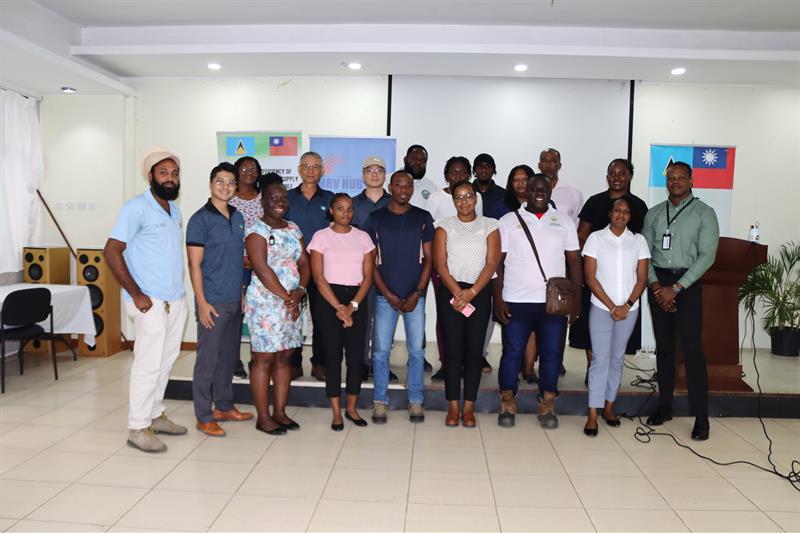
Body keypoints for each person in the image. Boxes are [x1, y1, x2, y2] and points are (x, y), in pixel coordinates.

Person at [104, 147, 188, 453]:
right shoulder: (135, 208)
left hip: (175, 299)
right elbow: (111, 251)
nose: (170, 178)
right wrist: (137, 293)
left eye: (174, 173)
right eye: (163, 173)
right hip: (148, 301)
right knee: (148, 364)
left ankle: (155, 414)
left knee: (165, 362)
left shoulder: (174, 210)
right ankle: (137, 427)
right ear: (150, 176)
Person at [494, 174, 581, 429]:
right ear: (526, 192)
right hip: (515, 300)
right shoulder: (508, 221)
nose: (539, 193)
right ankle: (507, 401)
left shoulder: (564, 221)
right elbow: (496, 263)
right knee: (512, 353)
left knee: (552, 355)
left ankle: (547, 403)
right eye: (534, 189)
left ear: (550, 192)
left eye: (544, 189)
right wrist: (498, 299)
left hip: (553, 304)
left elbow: (574, 262)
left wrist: (576, 301)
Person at [642, 162, 719, 441]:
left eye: (681, 178)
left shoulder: (704, 213)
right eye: (671, 178)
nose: (675, 182)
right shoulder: (654, 213)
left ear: (691, 180)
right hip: (658, 284)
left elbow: (707, 256)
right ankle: (665, 406)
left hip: (686, 285)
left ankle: (701, 417)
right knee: (664, 350)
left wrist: (676, 288)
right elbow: (644, 254)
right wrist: (656, 286)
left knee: (692, 352)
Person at [186, 162, 254, 437]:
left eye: (230, 182)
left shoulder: (238, 217)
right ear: (211, 184)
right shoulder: (199, 219)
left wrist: (241, 292)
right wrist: (201, 302)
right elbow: (194, 265)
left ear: (236, 187)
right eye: (220, 182)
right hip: (211, 301)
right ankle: (203, 415)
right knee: (207, 361)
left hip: (234, 299)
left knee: (228, 358)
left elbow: (236, 259)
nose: (225, 187)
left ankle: (224, 406)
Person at [363, 171, 434, 424]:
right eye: (399, 185)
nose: (404, 189)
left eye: (408, 185)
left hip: (415, 296)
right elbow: (370, 262)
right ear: (390, 187)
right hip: (385, 297)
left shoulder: (423, 217)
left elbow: (429, 259)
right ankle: (380, 402)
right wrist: (386, 293)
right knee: (381, 352)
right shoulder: (376, 218)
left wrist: (418, 292)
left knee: (416, 351)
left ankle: (415, 401)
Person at [571, 159, 649, 384]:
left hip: (626, 281)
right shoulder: (595, 202)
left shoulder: (639, 205)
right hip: (595, 277)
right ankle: (594, 369)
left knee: (620, 335)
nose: (616, 177)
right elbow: (581, 235)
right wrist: (584, 272)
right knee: (591, 330)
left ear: (630, 176)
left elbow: (644, 240)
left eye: (621, 173)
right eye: (612, 173)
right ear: (607, 177)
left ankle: (610, 374)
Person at [245, 173, 310, 435]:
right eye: (273, 198)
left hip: (292, 302)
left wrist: (300, 291)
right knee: (264, 358)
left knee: (284, 357)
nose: (279, 202)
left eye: (283, 198)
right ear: (263, 201)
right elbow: (261, 268)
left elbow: (304, 262)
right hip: (266, 304)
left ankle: (280, 412)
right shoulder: (256, 231)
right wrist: (287, 297)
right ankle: (263, 417)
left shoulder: (293, 228)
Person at [433, 180, 500, 427]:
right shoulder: (443, 226)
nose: (464, 201)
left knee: (474, 352)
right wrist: (458, 293)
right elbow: (440, 265)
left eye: (468, 196)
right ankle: (453, 406)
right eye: (459, 197)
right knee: (452, 352)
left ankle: (469, 407)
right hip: (451, 292)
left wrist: (471, 292)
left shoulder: (490, 225)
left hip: (478, 292)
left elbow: (491, 263)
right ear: (453, 201)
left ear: (476, 198)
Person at [582, 197, 650, 437]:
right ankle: (593, 413)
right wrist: (612, 306)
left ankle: (609, 406)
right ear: (610, 214)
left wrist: (626, 305)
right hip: (601, 308)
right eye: (617, 211)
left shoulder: (639, 241)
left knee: (617, 358)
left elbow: (642, 278)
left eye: (626, 212)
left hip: (629, 310)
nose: (621, 215)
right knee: (599, 359)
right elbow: (590, 278)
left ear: (630, 216)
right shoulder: (595, 238)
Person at [308, 193, 375, 431]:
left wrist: (351, 306)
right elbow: (318, 277)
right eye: (340, 208)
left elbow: (368, 277)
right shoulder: (320, 237)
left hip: (357, 300)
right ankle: (336, 412)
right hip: (329, 300)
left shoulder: (363, 238)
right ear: (331, 211)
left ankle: (352, 409)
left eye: (349, 209)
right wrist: (338, 307)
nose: (345, 213)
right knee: (333, 357)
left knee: (356, 359)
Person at [426, 156, 485, 380]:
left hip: (472, 271)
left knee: (471, 317)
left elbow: (480, 228)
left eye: (462, 172)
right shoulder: (435, 198)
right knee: (447, 317)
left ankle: (467, 361)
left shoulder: (476, 197)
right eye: (453, 172)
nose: (457, 176)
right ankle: (447, 361)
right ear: (446, 175)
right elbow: (429, 232)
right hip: (443, 268)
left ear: (469, 175)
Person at [286, 151, 334, 382]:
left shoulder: (330, 198)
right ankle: (293, 363)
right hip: (291, 268)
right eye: (306, 165)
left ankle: (319, 363)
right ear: (299, 169)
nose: (310, 170)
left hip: (321, 268)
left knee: (322, 318)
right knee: (292, 316)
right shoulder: (287, 197)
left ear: (322, 170)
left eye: (315, 166)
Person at [491, 164, 541, 384]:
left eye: (524, 179)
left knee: (534, 329)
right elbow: (494, 245)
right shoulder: (501, 207)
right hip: (511, 276)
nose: (520, 183)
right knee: (512, 328)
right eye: (515, 180)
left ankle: (529, 368)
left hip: (538, 279)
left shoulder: (546, 205)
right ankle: (513, 369)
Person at [351, 156, 397, 383]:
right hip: (361, 271)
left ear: (385, 175)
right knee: (363, 319)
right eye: (370, 170)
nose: (375, 174)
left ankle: (381, 365)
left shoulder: (395, 202)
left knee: (384, 321)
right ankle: (362, 363)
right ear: (363, 175)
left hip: (390, 270)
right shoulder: (353, 204)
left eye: (379, 170)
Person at [228, 156, 264, 380]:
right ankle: (233, 360)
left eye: (253, 169)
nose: (249, 172)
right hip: (236, 266)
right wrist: (240, 257)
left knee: (258, 314)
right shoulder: (228, 199)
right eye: (244, 168)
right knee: (236, 314)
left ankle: (257, 360)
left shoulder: (264, 199)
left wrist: (256, 258)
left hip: (261, 267)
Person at [538, 148, 584, 225]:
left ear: (559, 165)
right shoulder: (530, 193)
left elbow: (576, 225)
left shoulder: (575, 194)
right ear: (539, 165)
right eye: (545, 161)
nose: (548, 165)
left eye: (553, 161)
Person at [405, 144, 437, 212]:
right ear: (405, 159)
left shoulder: (432, 187)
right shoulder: (389, 181)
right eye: (414, 158)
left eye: (423, 160)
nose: (419, 162)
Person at [473, 153, 505, 218]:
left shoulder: (504, 195)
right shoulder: (467, 193)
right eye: (480, 166)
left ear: (493, 170)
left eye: (488, 166)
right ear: (474, 170)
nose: (484, 170)